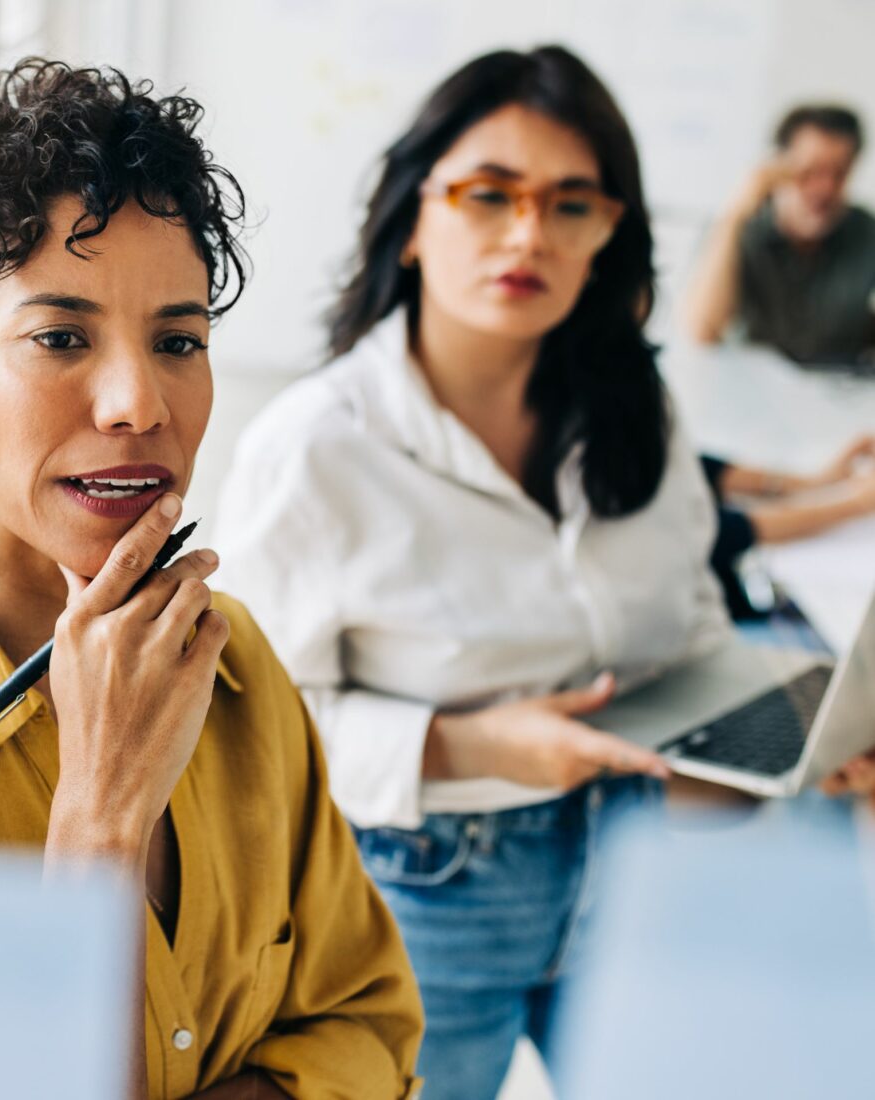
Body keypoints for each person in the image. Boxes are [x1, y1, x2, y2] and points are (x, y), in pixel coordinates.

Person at [0, 60, 422, 1100]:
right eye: (62, 336)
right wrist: (99, 821)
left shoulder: (236, 658)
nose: (136, 401)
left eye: (178, 340)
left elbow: (371, 1022)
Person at [213, 47, 732, 1099]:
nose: (528, 233)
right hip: (423, 889)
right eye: (487, 194)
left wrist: (777, 744)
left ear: (607, 234)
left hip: (635, 857)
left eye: (570, 204)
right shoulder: (316, 446)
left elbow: (693, 628)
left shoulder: (638, 412)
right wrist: (464, 743)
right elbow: (248, 735)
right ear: (414, 221)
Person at [683, 104, 875, 365]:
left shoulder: (864, 230)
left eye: (839, 174)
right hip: (755, 393)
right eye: (810, 171)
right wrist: (735, 217)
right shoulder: (739, 229)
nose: (825, 188)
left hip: (839, 394)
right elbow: (702, 331)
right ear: (778, 168)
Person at [701, 437, 875, 621]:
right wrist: (857, 503)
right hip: (730, 605)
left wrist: (815, 482)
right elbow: (731, 531)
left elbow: (699, 470)